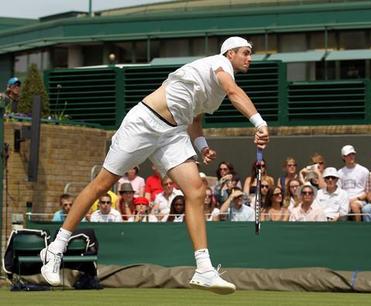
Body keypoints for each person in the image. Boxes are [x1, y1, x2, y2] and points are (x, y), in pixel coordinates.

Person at [40, 36, 269, 295]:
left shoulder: (215, 88)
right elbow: (234, 92)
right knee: (102, 185)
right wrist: (259, 123)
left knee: (196, 190)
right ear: (229, 54)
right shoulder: (220, 65)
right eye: (245, 53)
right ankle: (55, 247)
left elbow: (194, 118)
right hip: (144, 123)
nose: (249, 58)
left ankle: (204, 269)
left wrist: (202, 145)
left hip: (173, 135)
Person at [337, 145, 369, 222]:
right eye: (348, 155)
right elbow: (338, 191)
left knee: (354, 205)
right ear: (343, 157)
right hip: (344, 201)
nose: (351, 157)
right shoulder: (339, 173)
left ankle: (357, 228)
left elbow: (368, 191)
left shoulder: (364, 171)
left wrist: (356, 199)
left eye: (353, 154)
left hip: (360, 200)